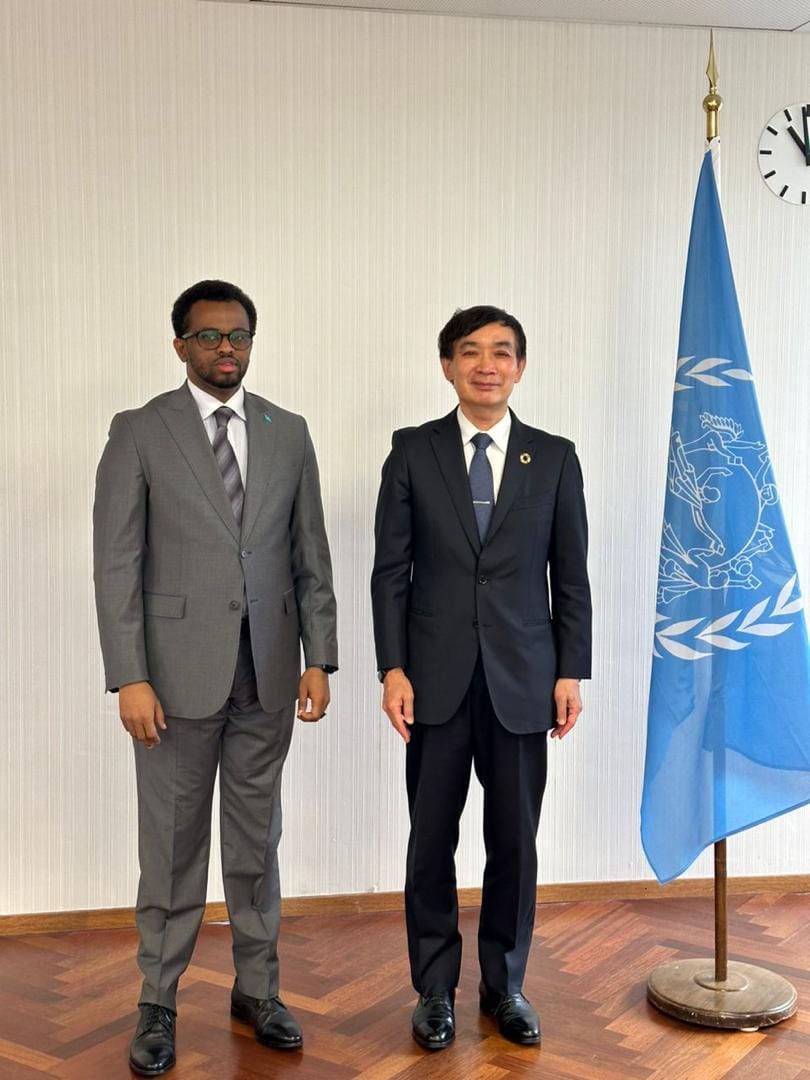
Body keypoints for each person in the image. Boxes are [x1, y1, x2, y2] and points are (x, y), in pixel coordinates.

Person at [93, 280, 337, 1076]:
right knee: (171, 846)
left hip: (267, 674)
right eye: (208, 336)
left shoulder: (288, 432)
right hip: (171, 682)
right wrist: (129, 675)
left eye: (237, 336)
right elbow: (116, 564)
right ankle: (158, 1001)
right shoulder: (140, 431)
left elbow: (310, 553)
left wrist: (319, 656)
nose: (225, 348)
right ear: (181, 347)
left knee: (256, 842)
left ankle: (257, 990)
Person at [371, 305, 591, 1050]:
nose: (486, 365)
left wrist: (571, 670)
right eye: (470, 352)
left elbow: (571, 576)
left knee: (515, 842)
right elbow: (390, 572)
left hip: (525, 680)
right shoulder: (413, 451)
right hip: (433, 680)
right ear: (448, 366)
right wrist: (393, 667)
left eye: (501, 352)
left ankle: (506, 987)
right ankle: (434, 990)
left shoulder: (553, 457)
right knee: (431, 839)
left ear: (519, 368)